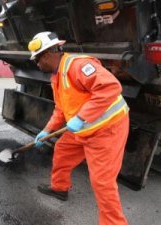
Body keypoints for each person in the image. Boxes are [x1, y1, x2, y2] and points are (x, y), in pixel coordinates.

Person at [28, 32, 129, 225]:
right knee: (63, 150)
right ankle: (59, 188)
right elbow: (61, 108)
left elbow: (110, 88)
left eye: (37, 60)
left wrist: (81, 117)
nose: (37, 64)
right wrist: (47, 130)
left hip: (106, 129)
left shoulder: (78, 66)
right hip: (83, 128)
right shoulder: (57, 76)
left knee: (102, 183)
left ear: (47, 55)